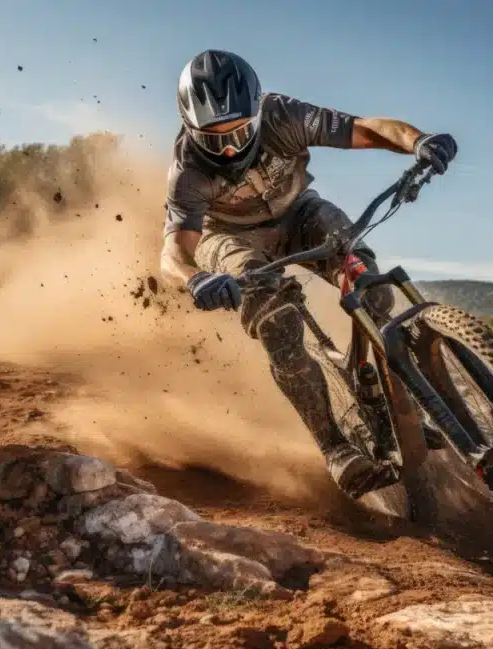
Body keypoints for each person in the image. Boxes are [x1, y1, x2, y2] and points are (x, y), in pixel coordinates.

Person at [159, 49, 457, 499]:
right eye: (212, 138)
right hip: (232, 238)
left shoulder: (283, 115)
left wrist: (418, 140)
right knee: (278, 321)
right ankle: (337, 449)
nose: (228, 148)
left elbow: (369, 129)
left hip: (299, 213)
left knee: (373, 290)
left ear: (257, 112)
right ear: (189, 127)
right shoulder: (186, 171)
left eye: (239, 132)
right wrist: (194, 279)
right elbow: (172, 253)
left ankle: (378, 394)